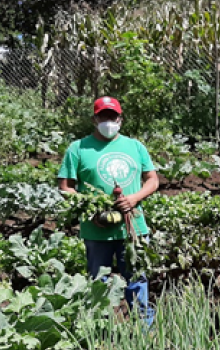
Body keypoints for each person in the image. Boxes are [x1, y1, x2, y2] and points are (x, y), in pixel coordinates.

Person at [58, 96, 159, 324]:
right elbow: (65, 187)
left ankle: (144, 331)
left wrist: (133, 199)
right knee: (99, 284)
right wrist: (91, 212)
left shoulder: (135, 147)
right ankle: (101, 332)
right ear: (95, 119)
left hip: (133, 228)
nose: (108, 121)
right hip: (96, 231)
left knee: (137, 280)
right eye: (103, 116)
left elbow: (152, 180)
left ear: (120, 119)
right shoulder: (78, 149)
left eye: (112, 116)